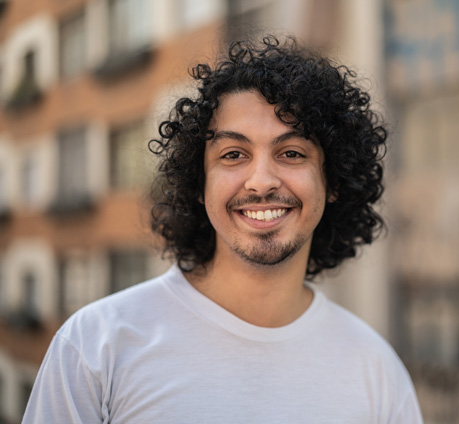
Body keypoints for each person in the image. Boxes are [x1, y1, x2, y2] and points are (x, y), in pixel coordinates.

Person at [23, 36, 424, 423]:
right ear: (200, 184)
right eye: (233, 155)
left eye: (292, 153)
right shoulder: (97, 346)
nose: (262, 181)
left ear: (332, 181)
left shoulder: (376, 371)